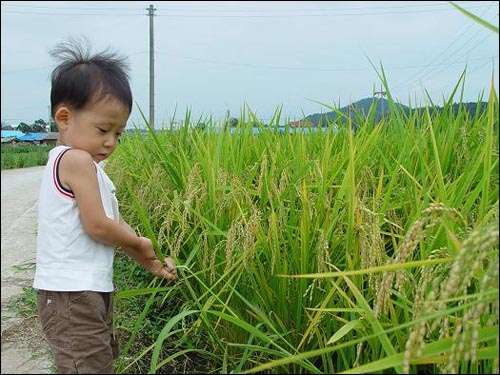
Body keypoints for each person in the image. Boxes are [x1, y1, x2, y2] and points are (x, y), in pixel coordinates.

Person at [33, 37, 177, 374]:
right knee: (89, 366)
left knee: (97, 362)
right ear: (64, 118)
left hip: (85, 289)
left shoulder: (88, 167)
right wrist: (140, 243)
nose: (111, 142)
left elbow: (113, 226)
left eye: (119, 133)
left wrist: (149, 259)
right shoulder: (76, 160)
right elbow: (98, 226)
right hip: (71, 292)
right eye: (103, 129)